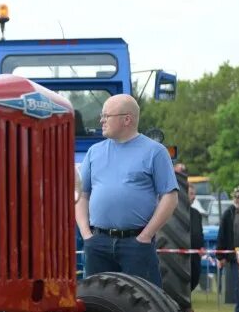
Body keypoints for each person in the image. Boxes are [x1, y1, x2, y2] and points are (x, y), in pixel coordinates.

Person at [76, 94, 179, 287]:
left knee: (144, 307)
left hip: (136, 245)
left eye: (107, 115)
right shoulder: (94, 152)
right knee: (96, 305)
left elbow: (170, 197)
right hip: (98, 244)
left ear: (127, 119)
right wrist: (86, 234)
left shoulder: (155, 152)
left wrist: (145, 236)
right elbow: (82, 195)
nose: (101, 120)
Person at [187, 181, 204, 312]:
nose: (193, 197)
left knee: (195, 279)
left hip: (196, 254)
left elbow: (200, 232)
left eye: (194, 194)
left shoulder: (196, 213)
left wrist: (202, 246)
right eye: (191, 194)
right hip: (182, 254)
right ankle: (187, 309)